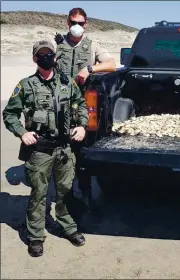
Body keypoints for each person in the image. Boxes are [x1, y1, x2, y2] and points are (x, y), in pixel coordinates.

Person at [2, 39, 89, 257]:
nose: (46, 57)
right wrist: (23, 133)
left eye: (49, 53)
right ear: (35, 59)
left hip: (64, 149)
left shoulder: (67, 83)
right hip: (40, 150)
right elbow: (9, 114)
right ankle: (35, 236)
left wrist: (82, 126)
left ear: (55, 56)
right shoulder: (26, 85)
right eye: (41, 54)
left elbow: (80, 104)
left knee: (65, 191)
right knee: (39, 194)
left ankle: (68, 227)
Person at [54, 7, 117, 198]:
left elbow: (112, 64)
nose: (76, 27)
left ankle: (85, 190)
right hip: (59, 104)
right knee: (58, 147)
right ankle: (64, 191)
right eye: (73, 22)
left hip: (81, 105)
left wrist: (90, 68)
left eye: (80, 23)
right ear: (67, 23)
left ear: (85, 24)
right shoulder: (57, 43)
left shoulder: (92, 45)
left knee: (83, 148)